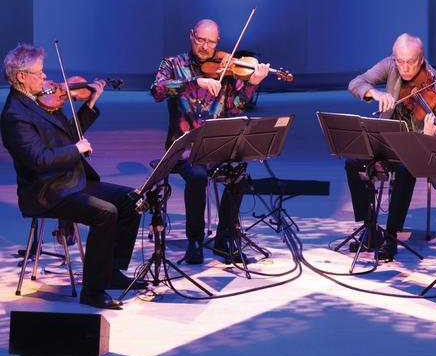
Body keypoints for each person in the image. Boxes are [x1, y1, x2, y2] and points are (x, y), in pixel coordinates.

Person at [1, 43, 143, 310]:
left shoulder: (38, 101)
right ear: (21, 76)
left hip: (69, 181)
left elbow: (67, 132)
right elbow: (38, 160)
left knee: (131, 200)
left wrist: (89, 105)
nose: (45, 78)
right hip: (46, 191)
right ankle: (93, 290)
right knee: (105, 213)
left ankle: (112, 271)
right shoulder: (15, 115)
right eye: (39, 73)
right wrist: (75, 150)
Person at [151, 19, 270, 264]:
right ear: (191, 35)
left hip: (215, 145)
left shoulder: (226, 68)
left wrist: (251, 85)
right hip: (183, 147)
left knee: (239, 174)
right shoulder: (173, 64)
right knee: (197, 177)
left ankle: (223, 239)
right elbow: (157, 91)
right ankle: (194, 240)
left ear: (218, 41)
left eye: (211, 42)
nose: (206, 47)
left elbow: (235, 107)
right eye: (201, 40)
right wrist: (193, 82)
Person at [346, 33, 436, 260]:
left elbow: (433, 138)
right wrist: (375, 92)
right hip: (387, 141)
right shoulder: (391, 64)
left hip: (417, 147)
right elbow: (356, 83)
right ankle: (369, 229)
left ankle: (390, 236)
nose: (405, 68)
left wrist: (428, 134)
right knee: (353, 163)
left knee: (404, 169)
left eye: (411, 62)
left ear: (421, 60)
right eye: (400, 61)